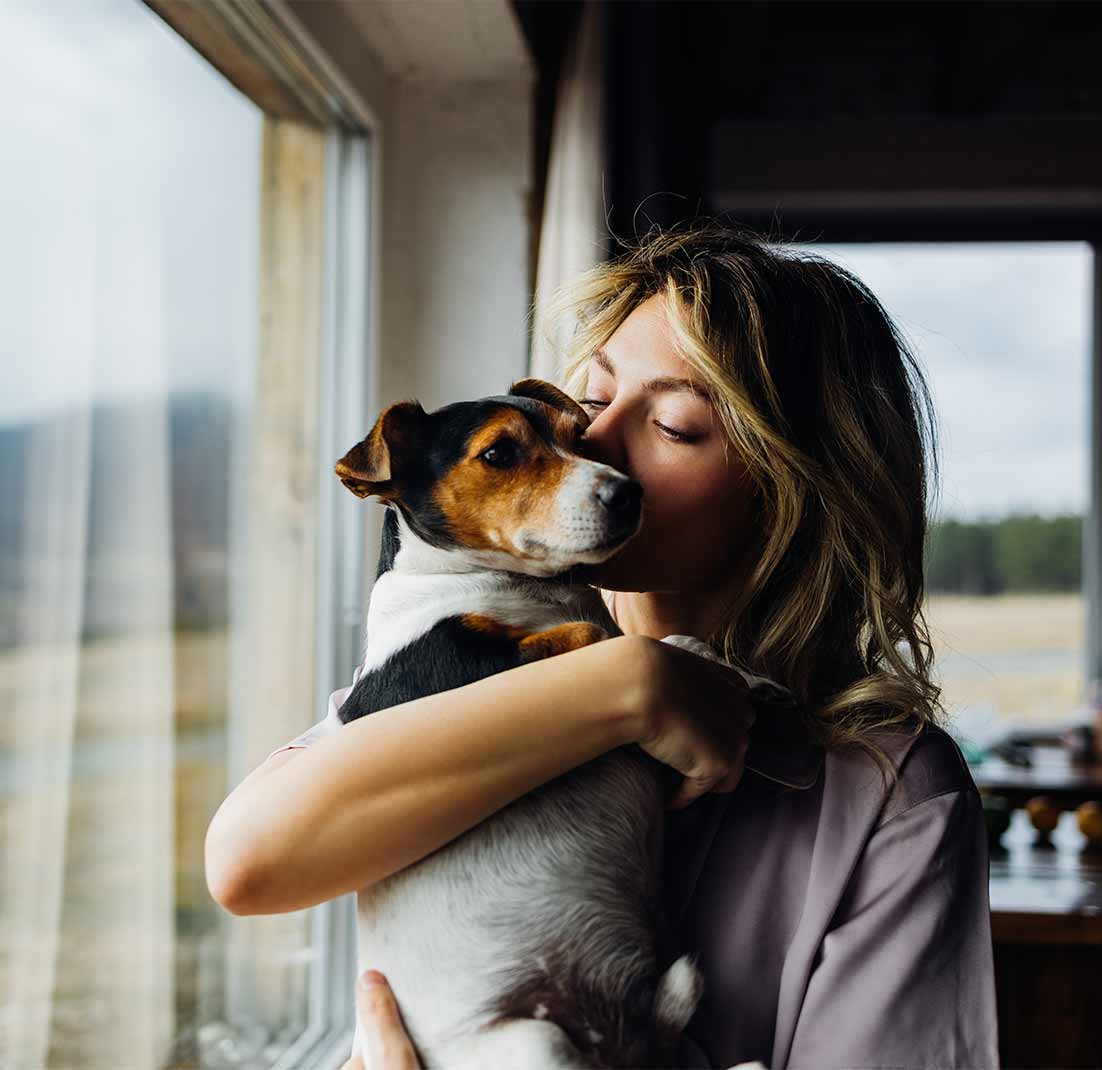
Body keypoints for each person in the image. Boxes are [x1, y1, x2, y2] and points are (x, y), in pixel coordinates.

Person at [205, 222, 1000, 1069]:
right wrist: (625, 681)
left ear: (794, 492)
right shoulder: (449, 667)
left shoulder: (888, 795)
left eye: (678, 424)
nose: (594, 445)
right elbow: (247, 865)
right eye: (588, 402)